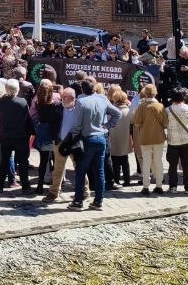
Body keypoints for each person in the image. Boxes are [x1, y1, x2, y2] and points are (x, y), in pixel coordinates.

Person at [68, 79, 119, 212]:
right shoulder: (102, 98)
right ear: (94, 88)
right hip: (101, 138)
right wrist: (107, 126)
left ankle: (78, 201)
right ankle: (98, 201)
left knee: (81, 171)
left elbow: (78, 125)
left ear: (83, 90)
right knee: (99, 171)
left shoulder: (81, 102)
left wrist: (73, 139)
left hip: (87, 140)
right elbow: (117, 113)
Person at [0, 79, 31, 194]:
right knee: (23, 162)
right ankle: (25, 186)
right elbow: (27, 118)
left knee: (4, 161)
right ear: (17, 89)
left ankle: (0, 185)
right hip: (20, 135)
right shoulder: (23, 102)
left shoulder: (1, 101)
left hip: (6, 134)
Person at [131, 84, 167, 194]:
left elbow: (136, 123)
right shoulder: (161, 106)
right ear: (155, 93)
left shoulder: (141, 107)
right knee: (158, 161)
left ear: (145, 94)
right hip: (159, 138)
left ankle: (146, 186)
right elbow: (166, 123)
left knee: (146, 161)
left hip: (145, 137)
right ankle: (159, 186)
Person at [163, 88, 188, 194]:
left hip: (173, 141)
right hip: (186, 140)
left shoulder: (168, 110)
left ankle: (173, 187)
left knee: (172, 165)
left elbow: (165, 123)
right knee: (186, 165)